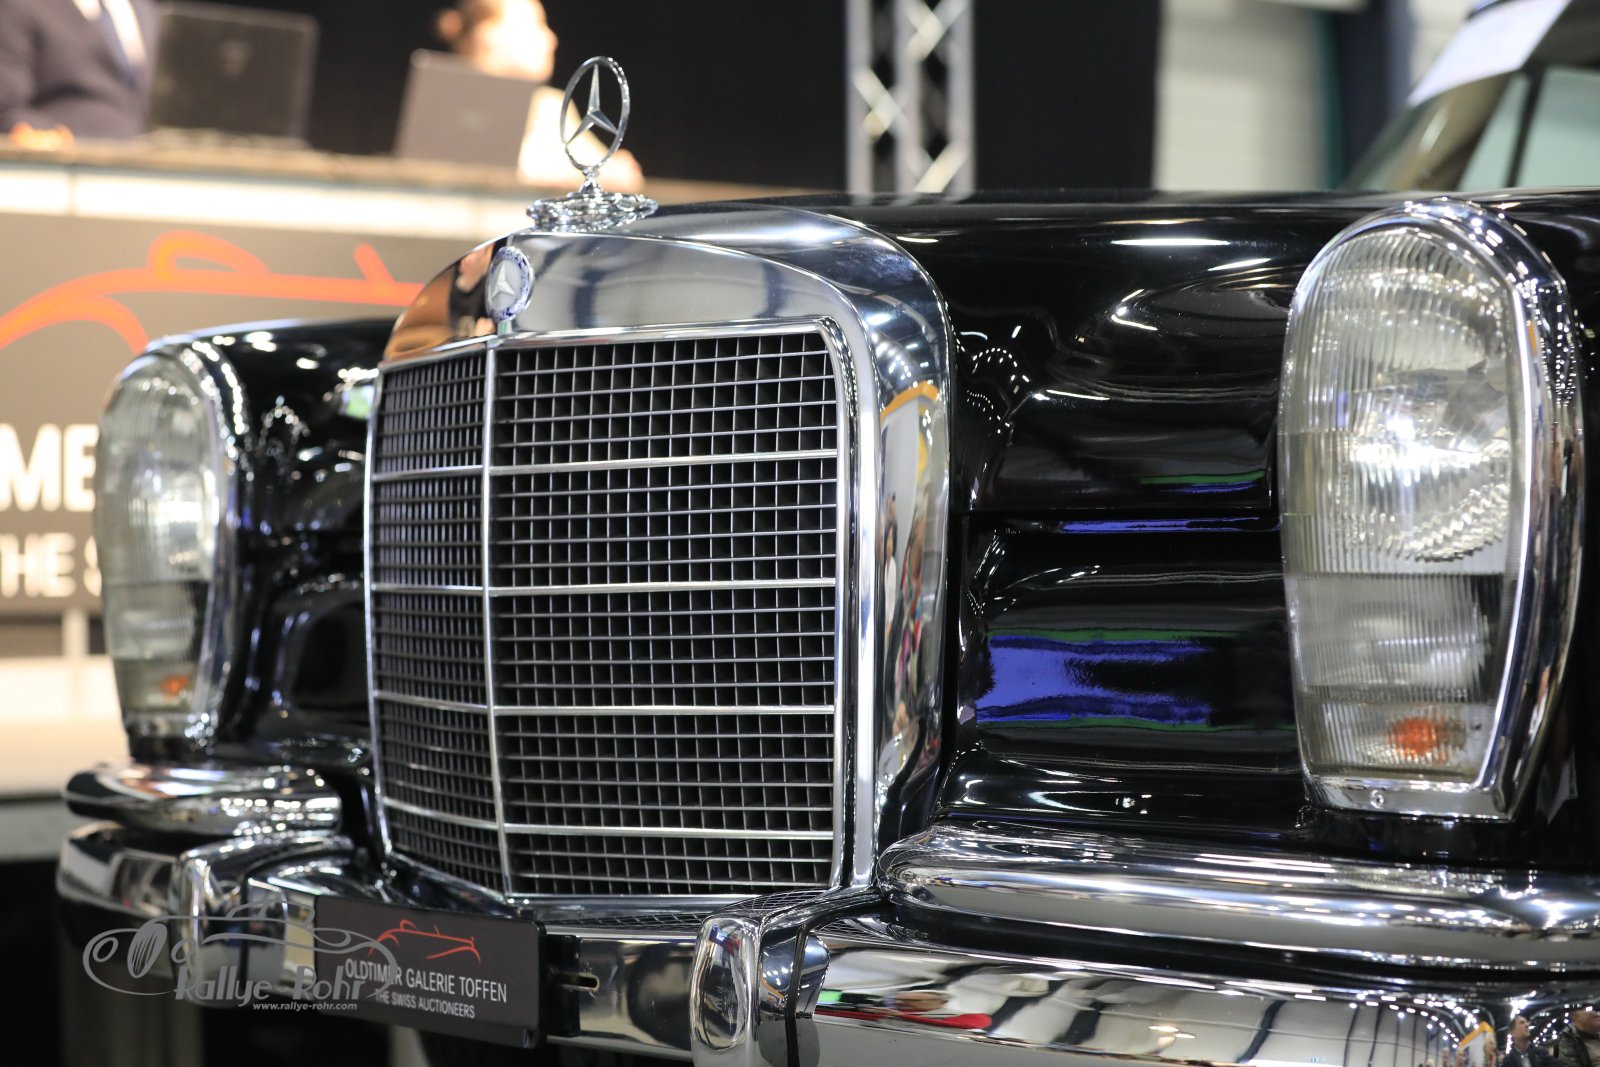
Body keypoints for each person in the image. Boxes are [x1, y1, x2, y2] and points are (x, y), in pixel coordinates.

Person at [433, 0, 643, 191]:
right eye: (535, 25)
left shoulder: (550, 107)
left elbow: (617, 173)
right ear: (488, 34)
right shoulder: (444, 103)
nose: (551, 38)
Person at [0, 0, 157, 147]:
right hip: (61, 156)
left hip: (144, 157)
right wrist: (39, 135)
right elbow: (7, 107)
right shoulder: (22, 5)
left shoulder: (145, 7)